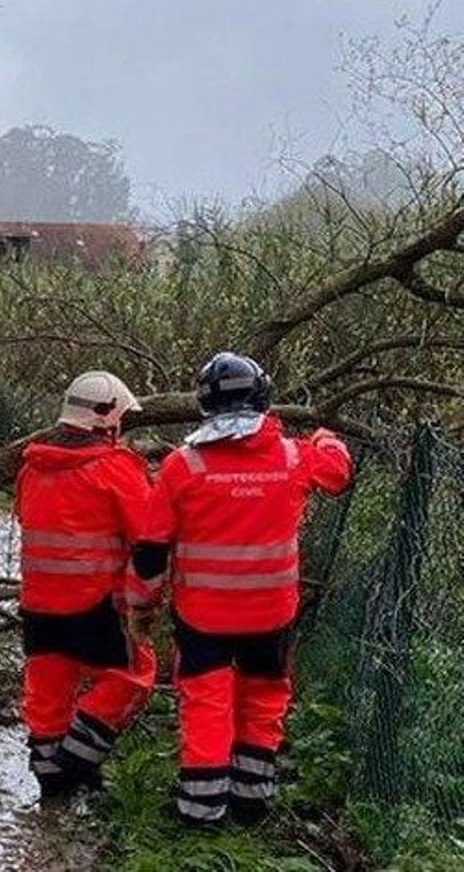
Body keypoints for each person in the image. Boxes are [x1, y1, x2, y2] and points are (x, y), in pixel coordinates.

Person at [132, 352, 352, 826]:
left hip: (204, 616)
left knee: (207, 701)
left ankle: (200, 808)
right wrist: (326, 436)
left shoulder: (181, 466)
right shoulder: (294, 456)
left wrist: (141, 606)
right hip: (272, 614)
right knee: (264, 696)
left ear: (205, 405)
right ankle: (252, 801)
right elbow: (337, 473)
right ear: (262, 399)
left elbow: (150, 551)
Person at [16, 371, 158, 798]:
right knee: (134, 676)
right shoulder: (116, 469)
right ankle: (73, 764)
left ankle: (49, 783)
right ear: (107, 419)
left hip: (38, 603)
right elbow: (148, 536)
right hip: (96, 604)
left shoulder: (32, 466)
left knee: (46, 689)